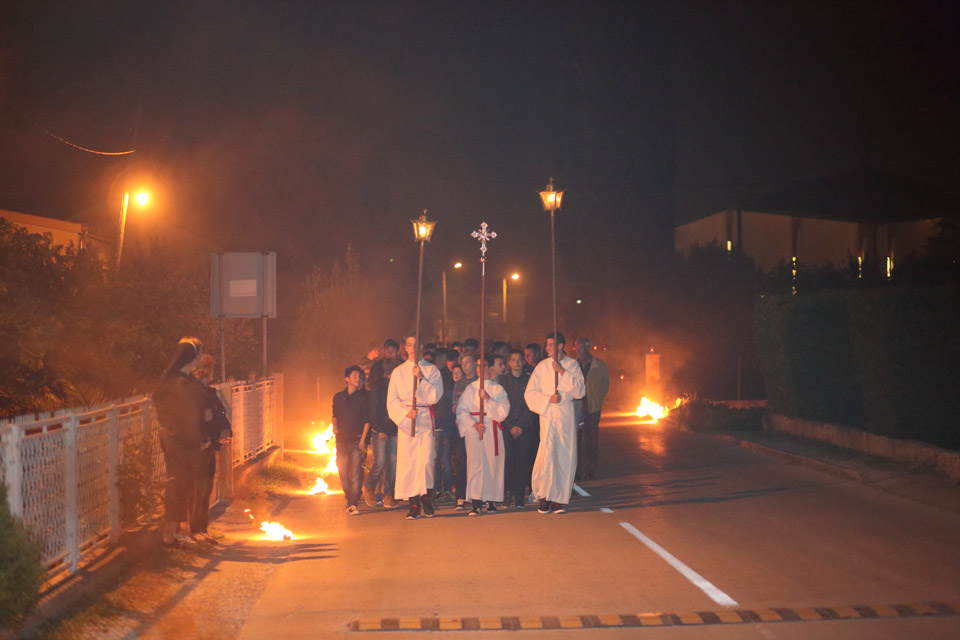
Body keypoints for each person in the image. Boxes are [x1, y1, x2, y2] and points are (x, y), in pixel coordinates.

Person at [153, 337, 214, 547]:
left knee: (185, 485)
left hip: (188, 441)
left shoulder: (186, 381)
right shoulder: (177, 383)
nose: (200, 359)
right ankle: (170, 534)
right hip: (178, 442)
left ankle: (178, 532)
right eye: (198, 355)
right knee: (177, 485)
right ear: (190, 357)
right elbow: (174, 412)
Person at [525, 332, 585, 514]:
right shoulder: (542, 367)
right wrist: (547, 399)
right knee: (547, 454)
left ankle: (559, 498)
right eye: (546, 345)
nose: (547, 348)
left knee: (564, 454)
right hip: (548, 415)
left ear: (560, 345)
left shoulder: (572, 365)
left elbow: (580, 391)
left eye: (551, 344)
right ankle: (544, 495)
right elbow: (530, 393)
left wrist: (562, 372)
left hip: (565, 415)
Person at [387, 334, 444, 519]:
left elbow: (435, 395)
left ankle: (425, 495)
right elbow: (391, 401)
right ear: (405, 347)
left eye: (415, 344)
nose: (412, 348)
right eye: (409, 345)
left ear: (421, 347)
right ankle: (413, 502)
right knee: (409, 461)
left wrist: (421, 378)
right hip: (407, 420)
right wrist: (405, 414)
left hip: (425, 418)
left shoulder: (431, 370)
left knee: (426, 459)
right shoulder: (398, 372)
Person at [456, 355, 510, 515]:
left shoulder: (498, 389)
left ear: (490, 368)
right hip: (474, 429)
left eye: (483, 365)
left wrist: (488, 399)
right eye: (477, 366)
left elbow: (504, 411)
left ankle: (491, 500)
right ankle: (476, 501)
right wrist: (473, 424)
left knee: (492, 464)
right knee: (475, 464)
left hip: (491, 428)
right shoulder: (470, 388)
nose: (479, 369)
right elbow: (461, 410)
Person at [190, 354, 232, 541]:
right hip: (199, 447)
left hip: (210, 446)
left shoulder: (209, 392)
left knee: (206, 488)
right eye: (210, 368)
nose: (213, 372)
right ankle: (195, 529)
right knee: (198, 489)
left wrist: (225, 431)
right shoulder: (194, 393)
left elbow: (219, 414)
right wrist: (203, 438)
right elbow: (196, 418)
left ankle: (202, 529)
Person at [499, 348, 536, 508]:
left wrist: (520, 425)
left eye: (519, 359)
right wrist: (509, 425)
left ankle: (520, 495)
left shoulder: (529, 381)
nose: (517, 363)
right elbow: (500, 405)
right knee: (508, 461)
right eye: (513, 360)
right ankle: (508, 493)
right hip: (507, 427)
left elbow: (531, 405)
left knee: (523, 461)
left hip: (524, 428)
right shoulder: (503, 382)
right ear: (509, 363)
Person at [332, 365, 370, 514]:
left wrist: (363, 439)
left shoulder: (363, 398)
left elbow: (367, 421)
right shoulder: (338, 397)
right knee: (342, 471)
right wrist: (335, 426)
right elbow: (334, 415)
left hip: (356, 441)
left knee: (355, 472)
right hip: (341, 441)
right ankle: (350, 496)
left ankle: (353, 502)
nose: (357, 378)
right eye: (354, 376)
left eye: (359, 376)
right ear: (346, 379)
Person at [363, 359, 399, 507]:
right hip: (380, 431)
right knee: (380, 462)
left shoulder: (399, 387)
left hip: (394, 430)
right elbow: (374, 410)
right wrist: (379, 429)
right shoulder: (379, 387)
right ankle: (369, 486)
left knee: (392, 464)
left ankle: (388, 495)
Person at [575, 337, 610, 481]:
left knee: (591, 440)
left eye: (582, 348)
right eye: (577, 349)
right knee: (575, 441)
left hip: (593, 408)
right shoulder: (572, 366)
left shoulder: (599, 366)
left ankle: (589, 470)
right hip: (576, 408)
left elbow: (605, 385)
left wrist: (596, 397)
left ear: (588, 349)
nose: (579, 351)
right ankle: (576, 471)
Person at [451, 351, 478, 509]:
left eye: (468, 362)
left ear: (475, 363)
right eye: (462, 363)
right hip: (463, 426)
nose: (465, 366)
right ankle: (460, 496)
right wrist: (457, 407)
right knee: (462, 460)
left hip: (479, 426)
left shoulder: (481, 381)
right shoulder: (459, 384)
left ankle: (476, 495)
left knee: (477, 461)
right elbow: (455, 404)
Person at [432, 349, 457, 500]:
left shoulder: (448, 390)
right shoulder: (432, 393)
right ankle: (437, 488)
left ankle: (446, 488)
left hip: (445, 428)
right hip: (436, 427)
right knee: (436, 460)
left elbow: (451, 409)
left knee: (445, 460)